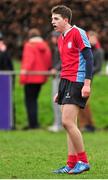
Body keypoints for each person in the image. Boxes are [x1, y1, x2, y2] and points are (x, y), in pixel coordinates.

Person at [51, 5, 93, 174]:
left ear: (66, 20)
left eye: (56, 18)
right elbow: (66, 63)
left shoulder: (78, 33)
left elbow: (88, 58)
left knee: (66, 122)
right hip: (66, 81)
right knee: (70, 124)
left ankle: (83, 161)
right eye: (52, 18)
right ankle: (71, 163)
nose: (52, 21)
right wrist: (60, 91)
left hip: (78, 80)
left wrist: (87, 83)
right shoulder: (60, 38)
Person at [20, 28, 52, 130]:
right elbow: (48, 62)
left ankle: (32, 124)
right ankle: (35, 123)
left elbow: (28, 61)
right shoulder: (45, 46)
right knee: (34, 100)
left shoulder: (29, 46)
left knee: (30, 101)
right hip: (40, 77)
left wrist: (22, 76)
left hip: (30, 77)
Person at [78, 30, 104, 132]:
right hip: (80, 78)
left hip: (89, 80)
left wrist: (87, 71)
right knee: (80, 103)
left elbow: (98, 67)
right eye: (90, 38)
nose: (92, 40)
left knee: (85, 103)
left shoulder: (99, 51)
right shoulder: (86, 49)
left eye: (94, 38)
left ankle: (89, 124)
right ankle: (83, 124)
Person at [0, 32, 16, 129]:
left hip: (6, 81)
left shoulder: (5, 52)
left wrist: (3, 53)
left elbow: (9, 67)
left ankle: (10, 123)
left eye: (1, 40)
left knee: (8, 101)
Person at [48, 31, 62, 132]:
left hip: (59, 76)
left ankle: (58, 124)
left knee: (57, 101)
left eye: (54, 37)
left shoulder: (60, 48)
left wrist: (55, 69)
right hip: (57, 76)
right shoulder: (56, 48)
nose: (52, 39)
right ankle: (57, 123)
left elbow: (63, 61)